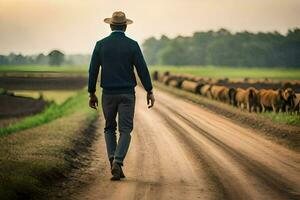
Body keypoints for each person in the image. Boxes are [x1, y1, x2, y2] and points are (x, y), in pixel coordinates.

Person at [88, 11, 155, 181]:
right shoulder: (132, 45)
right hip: (127, 94)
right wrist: (149, 90)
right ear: (125, 26)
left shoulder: (100, 45)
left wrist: (91, 92)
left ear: (111, 26)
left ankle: (113, 161)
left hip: (108, 94)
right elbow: (142, 69)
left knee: (109, 128)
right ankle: (118, 162)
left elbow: (93, 70)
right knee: (125, 130)